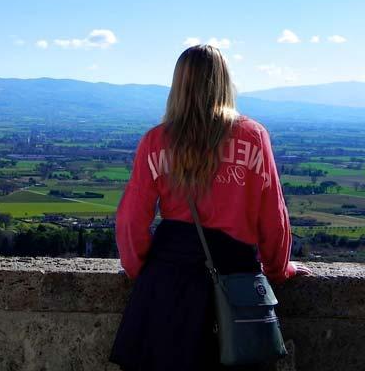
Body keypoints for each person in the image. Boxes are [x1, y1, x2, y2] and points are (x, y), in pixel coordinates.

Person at [109, 45, 312, 371]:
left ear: (178, 85)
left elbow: (132, 219)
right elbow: (273, 217)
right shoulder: (253, 136)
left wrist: (138, 270)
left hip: (167, 284)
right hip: (237, 288)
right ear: (223, 82)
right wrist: (279, 269)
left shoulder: (156, 141)